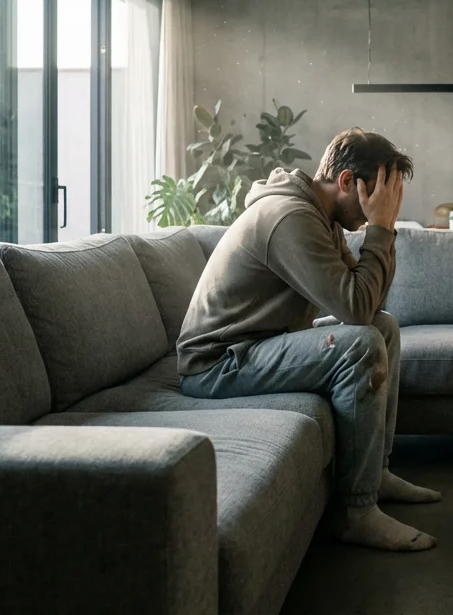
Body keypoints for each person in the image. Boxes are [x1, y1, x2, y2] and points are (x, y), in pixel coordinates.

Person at [177, 128, 439, 552]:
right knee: (361, 344)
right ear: (347, 182)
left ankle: (376, 472)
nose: (380, 207)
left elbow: (369, 307)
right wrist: (381, 229)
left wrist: (380, 228)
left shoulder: (321, 218)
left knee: (384, 328)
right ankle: (355, 512)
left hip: (260, 344)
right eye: (376, 195)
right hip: (219, 363)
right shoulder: (290, 217)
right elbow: (355, 311)